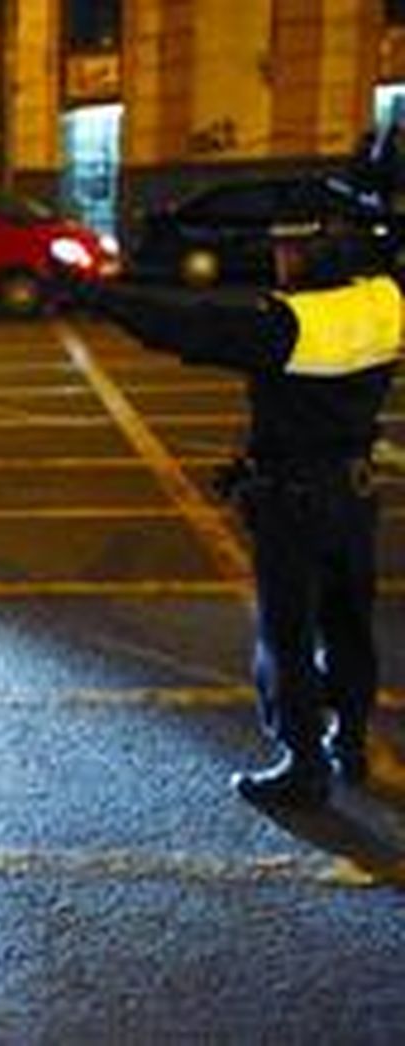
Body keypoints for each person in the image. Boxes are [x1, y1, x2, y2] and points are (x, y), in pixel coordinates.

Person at [87, 232, 400, 807]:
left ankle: (303, 766)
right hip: (355, 492)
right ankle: (350, 744)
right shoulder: (382, 302)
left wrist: (102, 298)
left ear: (313, 257)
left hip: (295, 501)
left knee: (288, 635)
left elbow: (186, 327)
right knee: (349, 624)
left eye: (290, 249)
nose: (278, 257)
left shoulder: (288, 325)